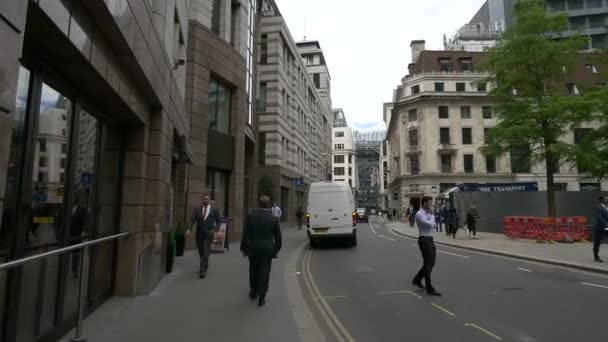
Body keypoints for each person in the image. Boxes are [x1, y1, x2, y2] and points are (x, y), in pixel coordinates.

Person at [241, 196, 282, 307]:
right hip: (267, 249)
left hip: (253, 248)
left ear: (258, 204)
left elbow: (246, 233)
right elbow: (278, 237)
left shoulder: (251, 216)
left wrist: (243, 247)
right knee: (265, 271)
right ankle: (262, 297)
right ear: (268, 205)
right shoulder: (273, 219)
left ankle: (253, 292)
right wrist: (276, 248)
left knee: (253, 270)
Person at [411, 196, 442, 296]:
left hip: (430, 239)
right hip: (424, 240)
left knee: (430, 263)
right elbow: (429, 225)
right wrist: (432, 216)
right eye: (429, 203)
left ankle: (417, 279)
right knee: (429, 264)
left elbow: (435, 225)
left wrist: (432, 219)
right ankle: (429, 288)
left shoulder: (428, 213)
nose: (431, 205)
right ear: (424, 204)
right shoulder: (419, 214)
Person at [188, 194, 221, 278]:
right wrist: (189, 230)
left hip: (209, 234)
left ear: (209, 200)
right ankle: (205, 264)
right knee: (201, 252)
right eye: (204, 199)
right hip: (199, 234)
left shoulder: (214, 210)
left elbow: (219, 221)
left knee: (206, 251)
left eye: (207, 199)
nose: (205, 200)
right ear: (202, 200)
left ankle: (202, 270)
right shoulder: (197, 210)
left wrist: (216, 230)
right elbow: (192, 220)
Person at [593, 196, 608, 262]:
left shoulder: (607, 207)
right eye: (606, 199)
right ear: (601, 200)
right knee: (597, 242)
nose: (607, 200)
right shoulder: (598, 207)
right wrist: (606, 224)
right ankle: (596, 256)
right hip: (599, 227)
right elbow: (599, 217)